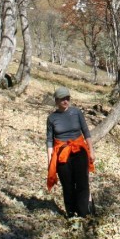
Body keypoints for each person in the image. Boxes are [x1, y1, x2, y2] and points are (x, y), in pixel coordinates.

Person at [46, 86, 95, 217]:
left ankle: (84, 212)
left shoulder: (77, 112)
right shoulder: (52, 118)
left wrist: (91, 150)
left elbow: (86, 132)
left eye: (67, 98)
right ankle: (71, 213)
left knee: (82, 182)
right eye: (62, 99)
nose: (65, 101)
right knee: (67, 184)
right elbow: (49, 140)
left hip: (79, 151)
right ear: (56, 101)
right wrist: (50, 159)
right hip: (62, 154)